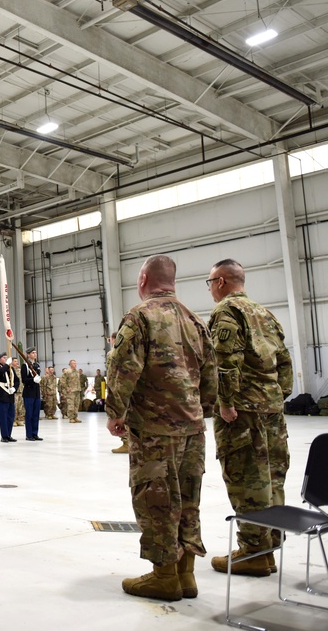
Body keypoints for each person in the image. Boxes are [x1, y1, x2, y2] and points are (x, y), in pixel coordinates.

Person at [106, 254, 218, 602]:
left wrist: (115, 412)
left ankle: (164, 575)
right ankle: (187, 575)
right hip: (193, 429)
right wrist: (202, 411)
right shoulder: (195, 319)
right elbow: (212, 374)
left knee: (156, 498)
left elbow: (123, 367)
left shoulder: (140, 317)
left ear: (143, 279)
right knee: (187, 499)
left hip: (155, 431)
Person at [206, 258, 293, 577]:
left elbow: (225, 362)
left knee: (246, 475)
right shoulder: (263, 312)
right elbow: (284, 359)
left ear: (220, 282)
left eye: (210, 282)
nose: (211, 288)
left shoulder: (227, 311)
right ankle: (268, 545)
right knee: (273, 473)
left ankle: (253, 552)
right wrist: (279, 394)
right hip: (271, 407)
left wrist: (226, 403)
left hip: (243, 409)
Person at [21, 347, 43, 441]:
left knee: (36, 414)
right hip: (29, 392)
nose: (35, 354)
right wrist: (32, 380)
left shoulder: (37, 365)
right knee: (29, 414)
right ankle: (29, 434)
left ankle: (35, 433)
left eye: (35, 352)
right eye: (33, 353)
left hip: (36, 392)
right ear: (28, 354)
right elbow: (24, 380)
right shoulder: (25, 366)